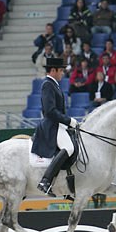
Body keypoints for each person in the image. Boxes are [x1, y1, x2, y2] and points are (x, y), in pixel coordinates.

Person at [31, 58, 79, 196]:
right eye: (61, 70)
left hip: (59, 124)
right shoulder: (48, 85)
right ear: (53, 70)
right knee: (69, 148)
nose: (63, 73)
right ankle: (45, 181)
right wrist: (69, 121)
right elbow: (50, 110)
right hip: (52, 125)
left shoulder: (54, 84)